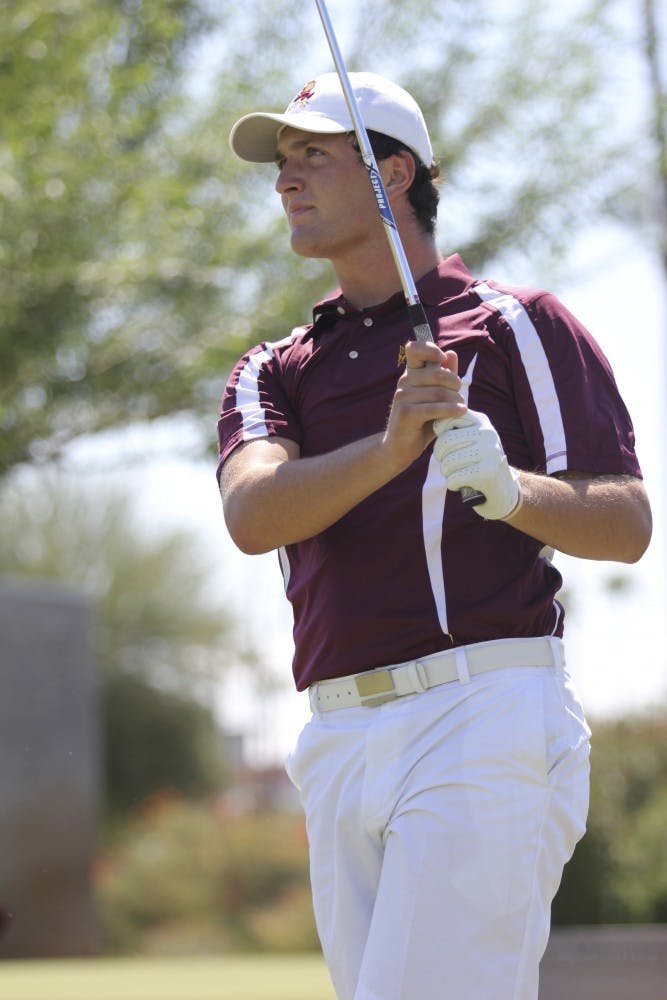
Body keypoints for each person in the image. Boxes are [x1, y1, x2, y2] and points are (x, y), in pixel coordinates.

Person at [217, 71, 652, 1000]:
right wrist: (392, 447)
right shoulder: (271, 369)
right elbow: (255, 516)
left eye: (314, 157)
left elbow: (624, 524)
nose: (286, 181)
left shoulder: (518, 326)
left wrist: (507, 490)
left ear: (395, 172)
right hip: (334, 739)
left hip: (480, 715)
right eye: (281, 163)